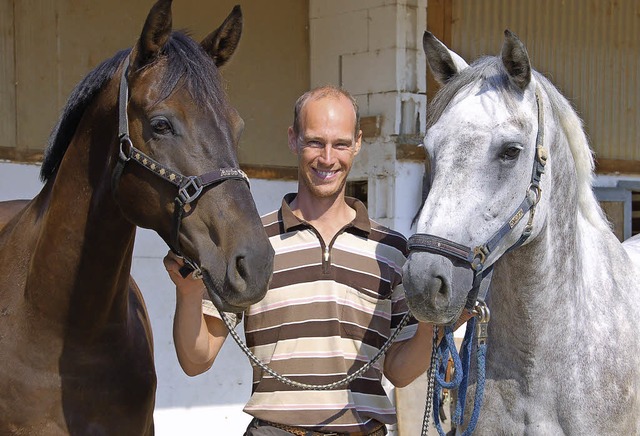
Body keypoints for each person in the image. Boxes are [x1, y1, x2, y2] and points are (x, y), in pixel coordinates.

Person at [164, 85, 440, 435]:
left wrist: (434, 324)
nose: (328, 158)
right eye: (315, 142)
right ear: (293, 140)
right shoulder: (254, 244)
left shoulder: (391, 249)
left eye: (340, 144)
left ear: (357, 143)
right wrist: (188, 294)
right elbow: (196, 359)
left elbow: (399, 372)